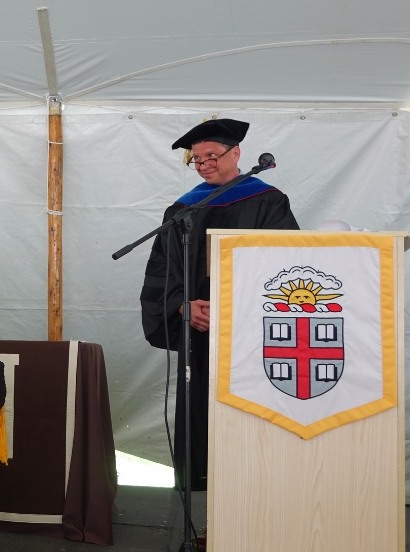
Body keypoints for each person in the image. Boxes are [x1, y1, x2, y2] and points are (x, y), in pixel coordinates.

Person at [139, 118, 299, 494]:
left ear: (237, 153)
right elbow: (162, 273)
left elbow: (287, 267)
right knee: (201, 418)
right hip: (200, 338)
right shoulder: (182, 210)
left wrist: (239, 309)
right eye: (196, 159)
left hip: (253, 339)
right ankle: (201, 507)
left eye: (212, 155)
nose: (204, 163)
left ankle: (257, 498)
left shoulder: (269, 202)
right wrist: (181, 307)